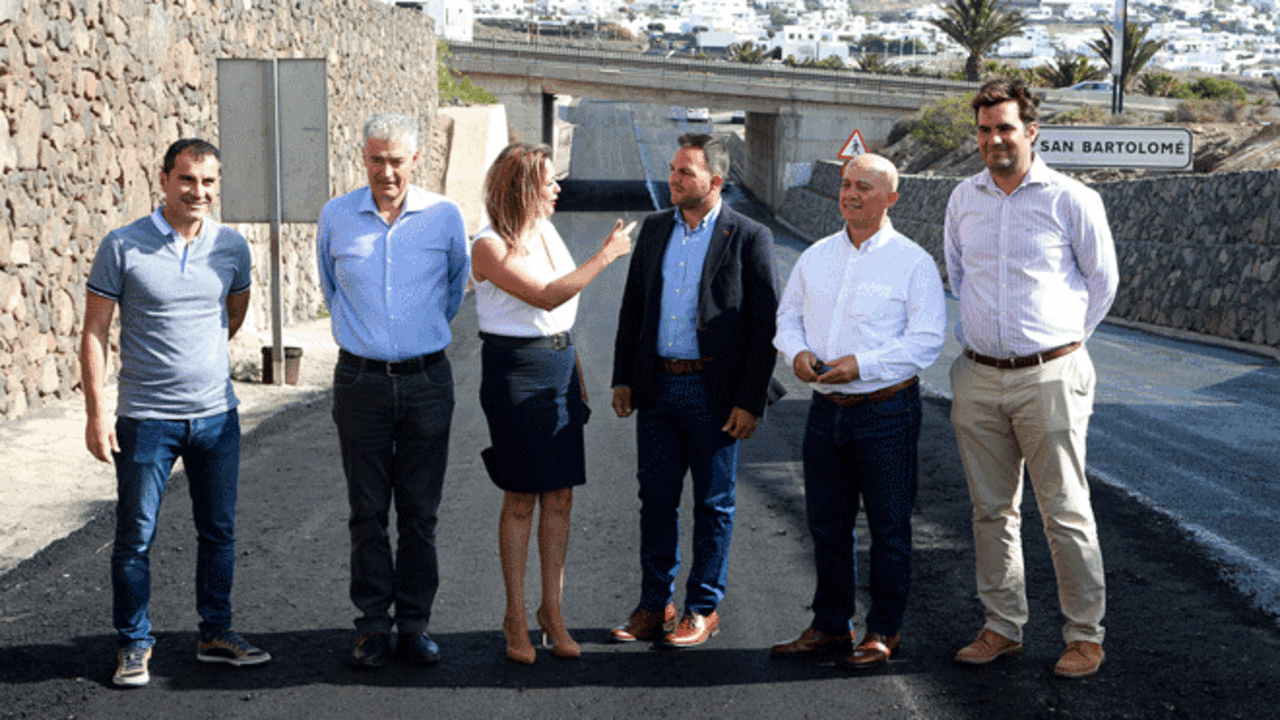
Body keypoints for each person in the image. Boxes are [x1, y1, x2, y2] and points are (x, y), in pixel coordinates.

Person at [945, 78, 1118, 679]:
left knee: (1064, 510)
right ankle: (1001, 626)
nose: (994, 139)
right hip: (977, 376)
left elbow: (1102, 284)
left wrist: (1059, 345)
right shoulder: (963, 198)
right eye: (985, 129)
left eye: (1005, 128)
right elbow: (959, 275)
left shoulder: (1072, 199)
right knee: (991, 512)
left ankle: (1084, 635)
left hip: (1050, 375)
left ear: (1031, 131)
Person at [81, 138, 270, 688]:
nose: (198, 191)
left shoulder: (231, 247)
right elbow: (94, 331)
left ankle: (216, 634)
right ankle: (133, 643)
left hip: (217, 418)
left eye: (208, 181)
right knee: (135, 537)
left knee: (219, 533)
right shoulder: (123, 246)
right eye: (187, 179)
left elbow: (232, 313)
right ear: (163, 179)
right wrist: (96, 415)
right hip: (145, 420)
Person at [771, 154, 945, 669]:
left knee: (889, 528)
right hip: (825, 412)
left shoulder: (913, 262)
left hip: (886, 412)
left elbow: (926, 340)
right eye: (847, 184)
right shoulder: (816, 256)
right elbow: (788, 317)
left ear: (891, 198)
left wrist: (860, 365)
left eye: (864, 187)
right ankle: (830, 626)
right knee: (827, 526)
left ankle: (884, 631)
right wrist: (796, 353)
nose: (850, 194)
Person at [609, 133, 779, 647]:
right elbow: (633, 307)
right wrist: (623, 377)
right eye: (673, 169)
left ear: (715, 181)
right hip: (658, 389)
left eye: (686, 172)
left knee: (714, 505)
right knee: (655, 501)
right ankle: (653, 604)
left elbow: (764, 326)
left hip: (715, 395)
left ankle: (703, 608)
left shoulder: (748, 236)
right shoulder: (657, 229)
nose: (674, 179)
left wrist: (750, 400)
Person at [470, 143, 636, 664]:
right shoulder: (488, 245)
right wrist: (605, 256)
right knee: (521, 496)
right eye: (548, 181)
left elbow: (559, 319)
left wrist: (576, 372)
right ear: (523, 187)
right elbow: (546, 296)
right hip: (515, 373)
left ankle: (552, 611)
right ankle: (515, 616)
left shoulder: (545, 230)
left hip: (559, 368)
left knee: (561, 496)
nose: (558, 188)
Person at [317, 113, 470, 668]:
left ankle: (414, 625)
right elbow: (331, 289)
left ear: (415, 161)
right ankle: (372, 628)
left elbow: (454, 289)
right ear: (364, 158)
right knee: (366, 512)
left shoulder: (444, 217)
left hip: (426, 381)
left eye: (397, 161)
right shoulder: (336, 216)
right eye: (377, 159)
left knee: (420, 514)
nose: (387, 171)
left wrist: (414, 338)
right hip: (360, 383)